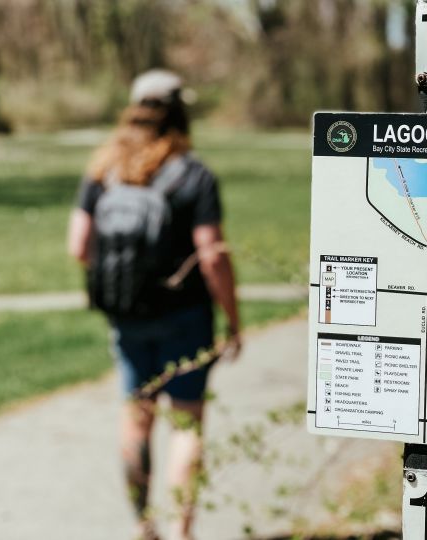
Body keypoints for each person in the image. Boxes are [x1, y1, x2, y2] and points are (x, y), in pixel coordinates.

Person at [66, 69, 241, 540]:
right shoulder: (193, 174)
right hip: (185, 318)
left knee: (136, 420)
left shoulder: (105, 169)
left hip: (127, 317)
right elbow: (212, 257)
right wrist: (233, 319)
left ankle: (145, 526)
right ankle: (182, 534)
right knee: (186, 425)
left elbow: (78, 245)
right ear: (181, 113)